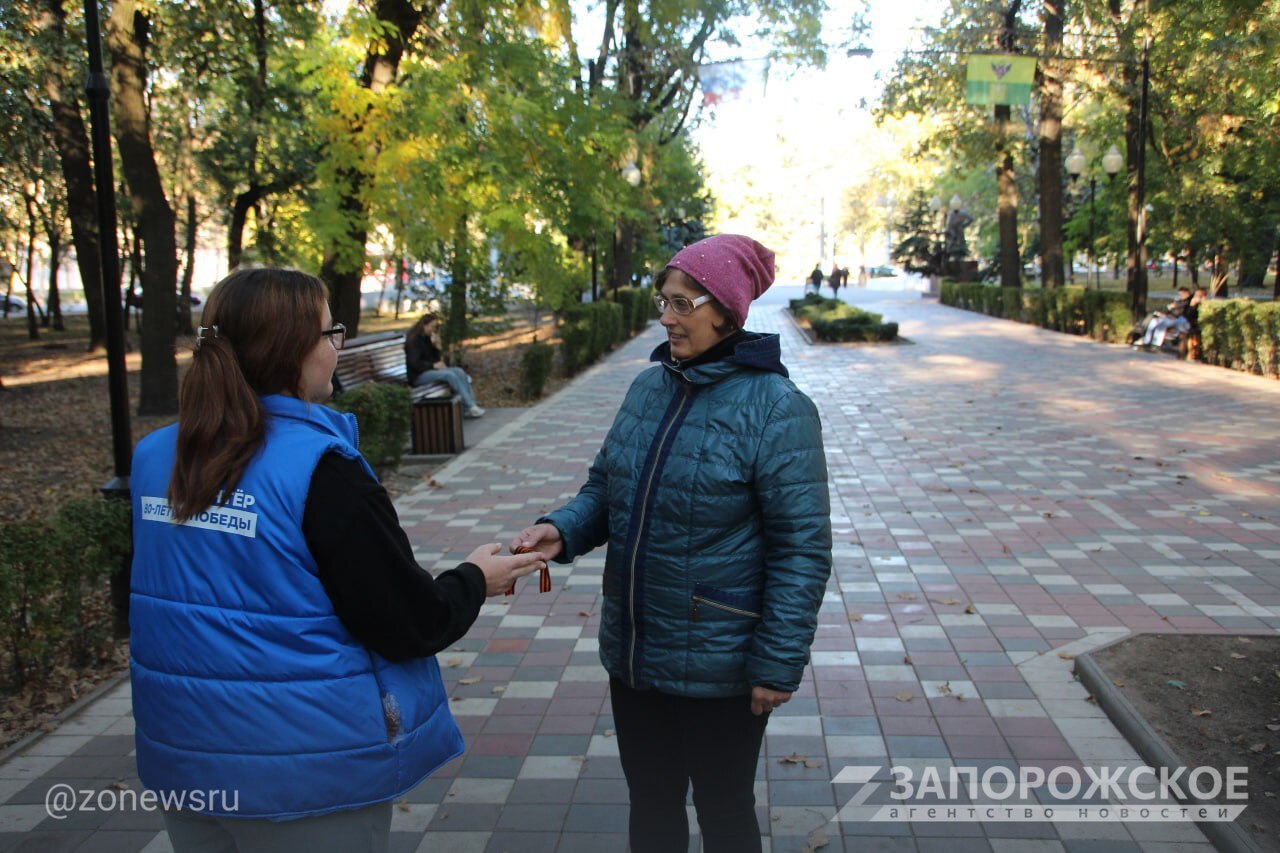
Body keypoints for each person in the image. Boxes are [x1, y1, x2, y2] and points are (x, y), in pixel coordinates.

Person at [129, 268, 546, 852]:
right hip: (304, 771)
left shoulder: (154, 457)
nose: (338, 346)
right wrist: (477, 579)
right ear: (292, 350)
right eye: (331, 333)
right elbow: (405, 620)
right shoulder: (321, 469)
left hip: (187, 762)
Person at [510, 235, 833, 853]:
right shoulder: (649, 388)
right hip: (637, 652)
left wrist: (777, 660)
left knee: (724, 811)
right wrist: (564, 528)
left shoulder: (777, 409)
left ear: (726, 311)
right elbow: (607, 487)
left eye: (684, 304)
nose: (666, 317)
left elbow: (802, 547)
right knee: (651, 806)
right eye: (665, 301)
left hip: (723, 663)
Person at [405, 313, 485, 418]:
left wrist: (436, 347)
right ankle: (469, 406)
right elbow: (415, 363)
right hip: (418, 376)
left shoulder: (427, 339)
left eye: (435, 327)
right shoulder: (414, 341)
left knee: (459, 371)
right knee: (449, 375)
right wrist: (433, 366)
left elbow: (435, 359)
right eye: (432, 326)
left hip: (429, 371)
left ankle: (470, 405)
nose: (433, 330)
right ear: (424, 325)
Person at [1134, 286, 1204, 349]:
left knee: (1162, 323)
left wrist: (1191, 305)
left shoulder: (1192, 302)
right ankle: (1148, 342)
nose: (1180, 296)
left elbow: (1187, 314)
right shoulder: (1183, 301)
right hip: (1176, 318)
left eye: (1198, 295)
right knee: (1155, 321)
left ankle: (1155, 344)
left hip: (1183, 321)